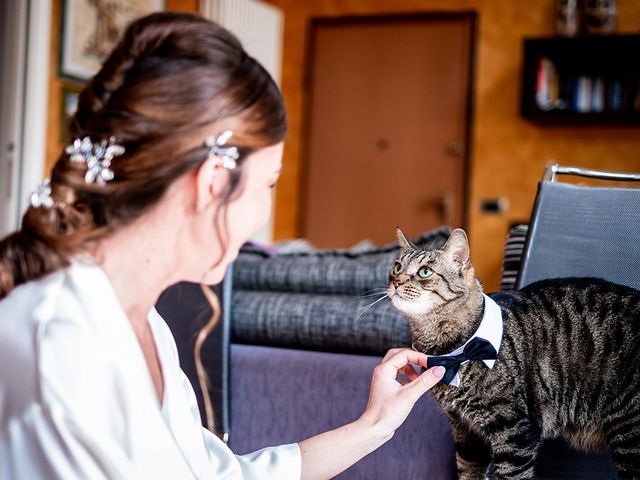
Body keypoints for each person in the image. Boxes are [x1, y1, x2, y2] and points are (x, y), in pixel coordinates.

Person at [0, 12, 444, 479]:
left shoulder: (147, 324)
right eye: (268, 184)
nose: (264, 213)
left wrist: (374, 427)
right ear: (213, 183)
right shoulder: (61, 351)